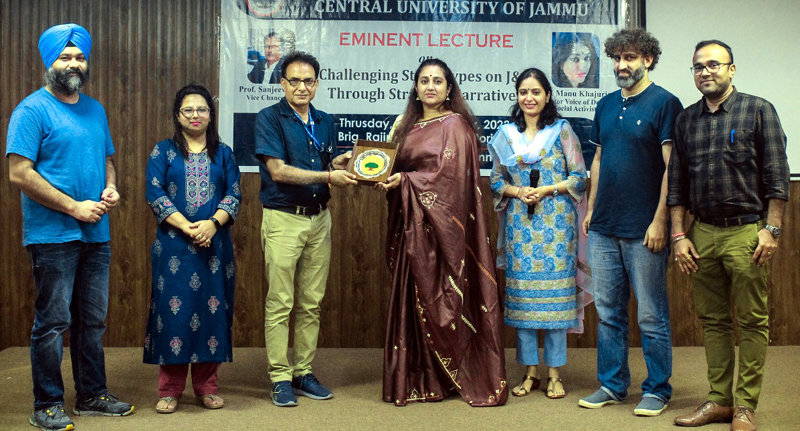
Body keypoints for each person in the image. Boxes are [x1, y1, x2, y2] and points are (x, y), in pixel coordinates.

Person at [6, 23, 134, 431]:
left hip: (96, 234)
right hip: (52, 236)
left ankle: (92, 395)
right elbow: (19, 173)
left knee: (92, 322)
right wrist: (74, 207)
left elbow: (107, 160)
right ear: (49, 62)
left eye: (80, 57)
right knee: (53, 323)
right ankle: (46, 403)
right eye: (65, 57)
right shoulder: (31, 110)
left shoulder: (95, 109)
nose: (74, 63)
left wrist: (111, 188)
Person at [669, 40, 789, 431]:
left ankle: (745, 406)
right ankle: (720, 401)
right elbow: (677, 184)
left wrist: (771, 230)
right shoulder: (686, 120)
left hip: (747, 233)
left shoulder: (759, 110)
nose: (705, 72)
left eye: (713, 64)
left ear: (731, 69)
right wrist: (679, 235)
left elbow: (777, 176)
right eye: (698, 67)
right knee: (713, 321)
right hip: (701, 233)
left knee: (752, 321)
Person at [377, 58, 507, 407]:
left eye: (437, 81)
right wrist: (374, 173)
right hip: (411, 226)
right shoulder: (405, 126)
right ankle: (421, 378)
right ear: (415, 88)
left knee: (445, 297)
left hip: (444, 232)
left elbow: (451, 178)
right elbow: (390, 166)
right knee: (413, 300)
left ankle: (451, 376)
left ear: (449, 89)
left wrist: (406, 181)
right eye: (424, 80)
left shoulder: (456, 126)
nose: (430, 86)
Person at [578, 28, 683, 416]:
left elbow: (673, 167)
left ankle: (657, 389)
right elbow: (599, 159)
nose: (621, 65)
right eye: (617, 58)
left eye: (630, 58)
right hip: (604, 227)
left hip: (644, 229)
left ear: (648, 60)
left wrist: (660, 221)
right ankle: (612, 385)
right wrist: (591, 209)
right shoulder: (605, 104)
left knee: (651, 315)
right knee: (608, 313)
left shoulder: (665, 103)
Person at [254, 51, 356, 407]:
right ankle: (280, 377)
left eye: (308, 81)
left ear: (317, 84)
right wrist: (329, 176)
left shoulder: (325, 120)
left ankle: (302, 372)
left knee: (311, 302)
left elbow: (324, 163)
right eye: (294, 80)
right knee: (281, 302)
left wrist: (339, 163)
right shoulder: (269, 118)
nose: (301, 87)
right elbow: (279, 171)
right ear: (282, 84)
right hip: (283, 218)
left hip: (319, 218)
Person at [487, 67, 588, 400]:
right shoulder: (505, 135)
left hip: (557, 229)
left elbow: (579, 178)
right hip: (520, 227)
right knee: (524, 304)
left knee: (556, 304)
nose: (528, 98)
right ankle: (530, 371)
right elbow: (496, 181)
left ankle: (555, 374)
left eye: (535, 92)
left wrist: (547, 189)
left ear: (547, 96)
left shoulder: (562, 131)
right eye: (523, 92)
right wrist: (517, 192)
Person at [143, 84, 241, 414]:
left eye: (202, 109)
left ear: (211, 115)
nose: (195, 115)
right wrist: (187, 227)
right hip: (174, 247)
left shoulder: (223, 153)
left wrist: (212, 224)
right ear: (177, 115)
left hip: (215, 248)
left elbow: (234, 194)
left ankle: (206, 387)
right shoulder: (163, 152)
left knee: (213, 312)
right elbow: (154, 193)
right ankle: (170, 389)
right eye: (188, 110)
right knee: (173, 315)